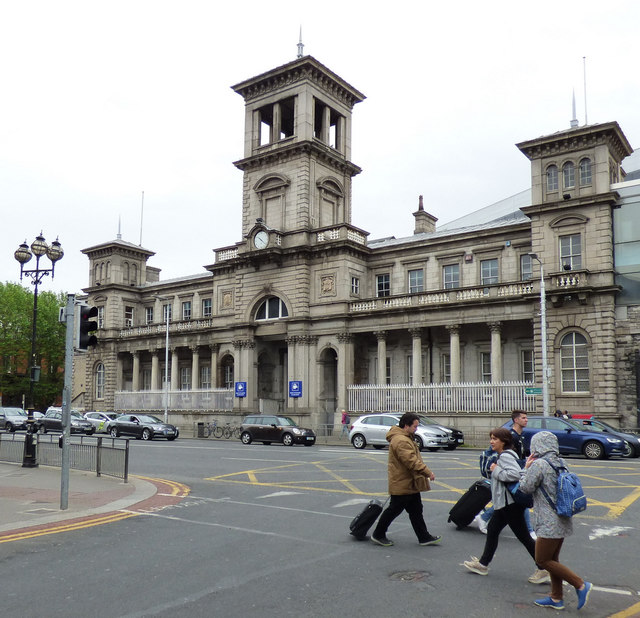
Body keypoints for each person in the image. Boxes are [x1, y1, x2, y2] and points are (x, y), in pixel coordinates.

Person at [519, 431, 592, 611]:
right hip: (562, 516)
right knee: (553, 559)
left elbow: (525, 488)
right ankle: (556, 598)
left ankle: (581, 584)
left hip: (548, 521)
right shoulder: (561, 462)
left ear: (537, 446)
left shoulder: (539, 464)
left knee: (542, 560)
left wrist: (525, 468)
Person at [463, 428, 544, 582]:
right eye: (491, 438)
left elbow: (514, 474)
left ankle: (544, 568)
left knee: (525, 538)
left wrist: (496, 470)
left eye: (495, 439)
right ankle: (483, 564)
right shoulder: (504, 455)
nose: (491, 441)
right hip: (505, 503)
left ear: (504, 441)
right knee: (492, 530)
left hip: (510, 504)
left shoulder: (505, 456)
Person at [371, 412, 441, 547]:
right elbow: (411, 461)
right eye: (415, 426)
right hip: (402, 482)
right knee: (394, 510)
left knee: (416, 510)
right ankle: (378, 534)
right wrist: (427, 472)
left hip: (409, 482)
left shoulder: (405, 437)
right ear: (406, 426)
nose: (416, 429)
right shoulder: (401, 440)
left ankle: (424, 537)